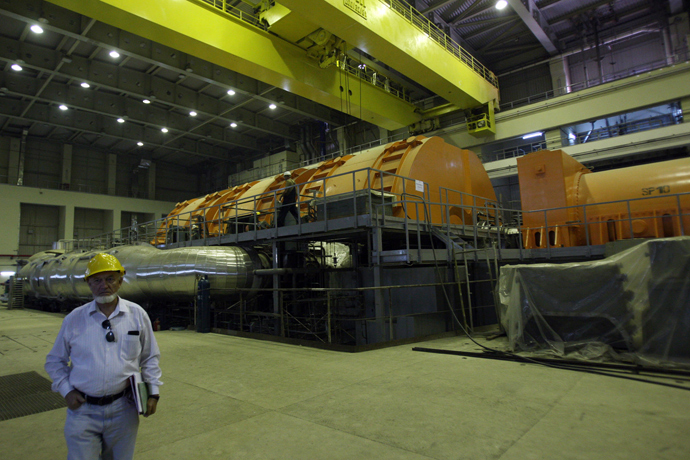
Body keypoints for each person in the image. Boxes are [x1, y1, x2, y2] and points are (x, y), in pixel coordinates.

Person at [45, 253, 162, 460]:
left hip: (124, 409)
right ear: (88, 283)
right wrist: (66, 391)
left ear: (120, 281)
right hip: (83, 410)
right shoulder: (74, 319)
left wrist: (152, 393)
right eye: (97, 280)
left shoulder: (137, 315)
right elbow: (55, 361)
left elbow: (150, 357)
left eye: (110, 279)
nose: (104, 285)